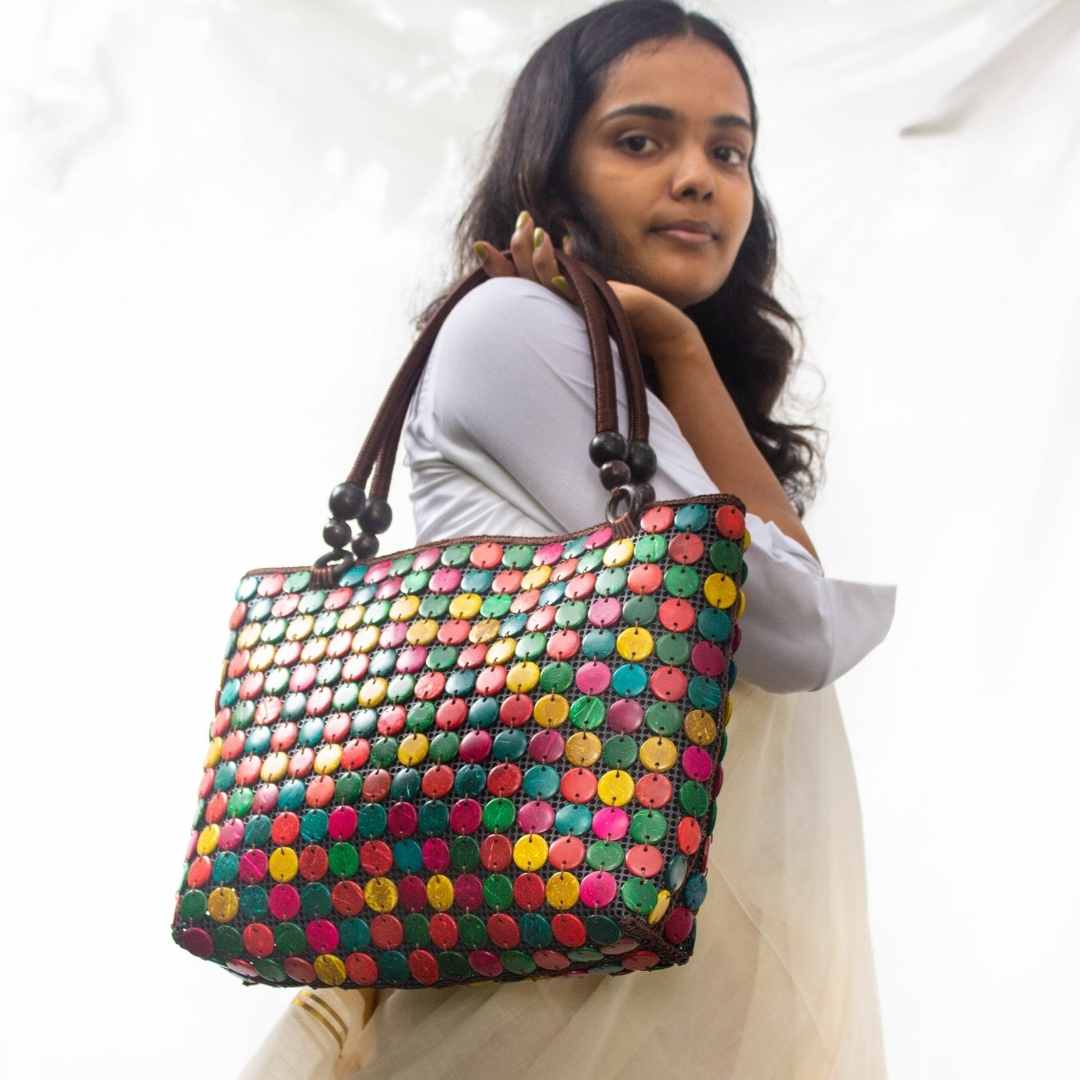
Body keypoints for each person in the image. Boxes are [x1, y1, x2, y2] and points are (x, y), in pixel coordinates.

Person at [239, 2, 897, 1076]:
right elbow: (797, 634)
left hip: (645, 990)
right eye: (642, 140)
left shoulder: (649, 395)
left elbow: (791, 613)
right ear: (554, 174)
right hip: (551, 1007)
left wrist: (681, 359)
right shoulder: (512, 327)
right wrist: (679, 355)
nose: (698, 176)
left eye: (729, 150)